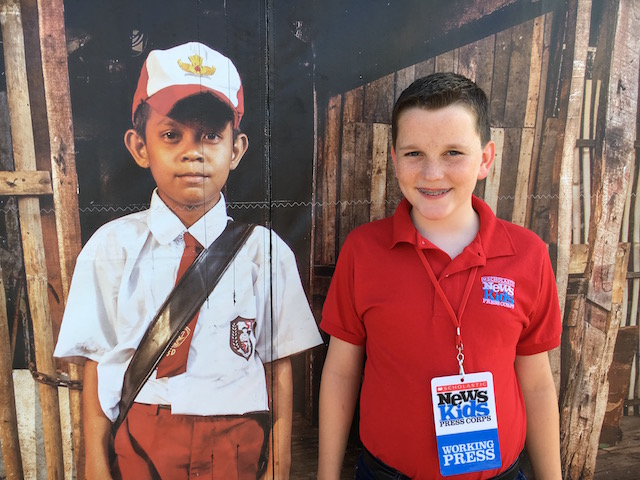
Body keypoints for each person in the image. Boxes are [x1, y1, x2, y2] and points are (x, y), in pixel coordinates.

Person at [54, 41, 322, 480]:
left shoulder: (264, 252)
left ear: (236, 150)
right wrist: (96, 467)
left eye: (211, 136)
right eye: (171, 134)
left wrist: (279, 465)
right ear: (140, 146)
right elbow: (97, 365)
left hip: (238, 445)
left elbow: (278, 366)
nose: (192, 152)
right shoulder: (110, 248)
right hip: (143, 443)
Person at [317, 72, 562, 480]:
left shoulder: (528, 254)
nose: (432, 174)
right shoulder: (363, 251)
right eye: (414, 154)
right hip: (386, 473)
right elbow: (342, 371)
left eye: (453, 152)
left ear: (485, 159)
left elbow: (536, 381)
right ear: (393, 158)